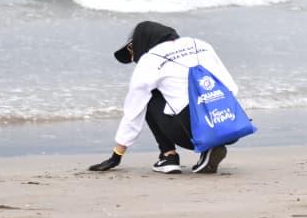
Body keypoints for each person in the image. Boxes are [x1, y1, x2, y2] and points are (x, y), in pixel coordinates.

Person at [88, 21, 239, 174]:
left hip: (189, 133)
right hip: (229, 123)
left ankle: (169, 156)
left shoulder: (149, 59)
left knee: (147, 96)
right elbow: (231, 86)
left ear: (141, 41)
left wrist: (116, 155)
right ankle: (210, 146)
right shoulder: (201, 44)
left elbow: (133, 111)